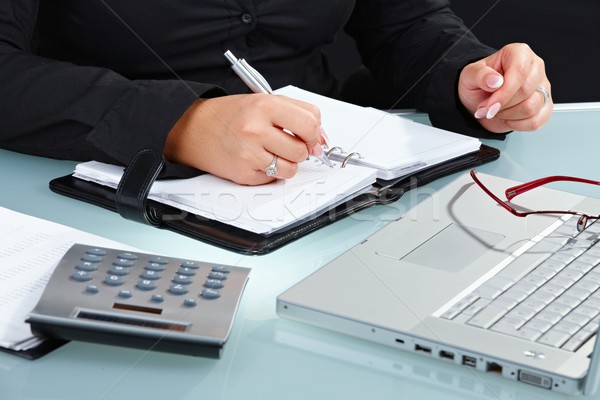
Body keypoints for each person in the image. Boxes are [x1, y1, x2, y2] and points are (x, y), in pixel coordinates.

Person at [0, 1, 552, 186]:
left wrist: (470, 77)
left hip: (322, 180)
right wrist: (180, 122)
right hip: (101, 186)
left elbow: (404, 21)